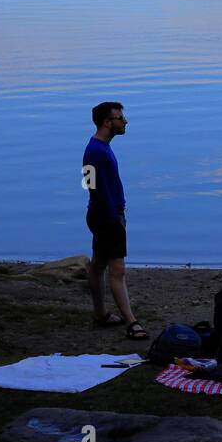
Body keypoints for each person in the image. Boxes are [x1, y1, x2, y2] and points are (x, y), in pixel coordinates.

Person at [83, 101, 147, 341]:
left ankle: (100, 314)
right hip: (107, 217)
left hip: (102, 214)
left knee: (98, 264)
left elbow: (91, 185)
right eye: (120, 118)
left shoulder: (98, 148)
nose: (125, 122)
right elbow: (94, 187)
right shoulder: (97, 152)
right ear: (107, 122)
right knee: (117, 270)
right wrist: (112, 217)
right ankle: (132, 322)